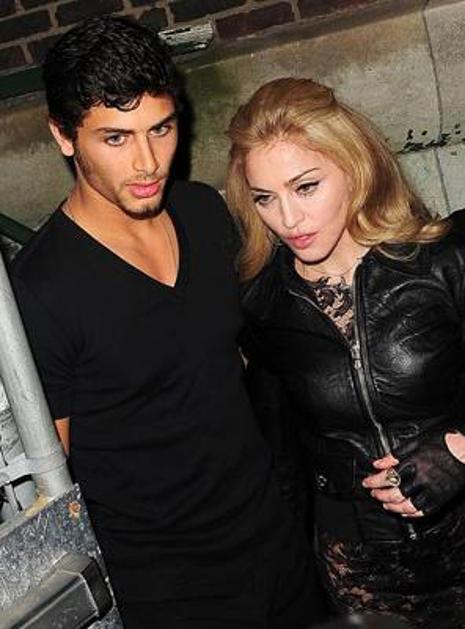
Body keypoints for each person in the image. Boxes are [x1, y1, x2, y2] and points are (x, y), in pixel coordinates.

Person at [10, 20, 321, 629]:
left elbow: (230, 363)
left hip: (278, 548)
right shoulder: (41, 291)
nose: (148, 161)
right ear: (64, 136)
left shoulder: (203, 211)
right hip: (169, 593)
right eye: (115, 137)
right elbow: (52, 488)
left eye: (161, 128)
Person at [226, 76, 465, 628]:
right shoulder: (263, 303)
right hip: (364, 568)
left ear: (355, 167)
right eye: (265, 198)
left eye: (306, 187)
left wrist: (459, 448)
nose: (288, 219)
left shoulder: (443, 260)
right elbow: (281, 455)